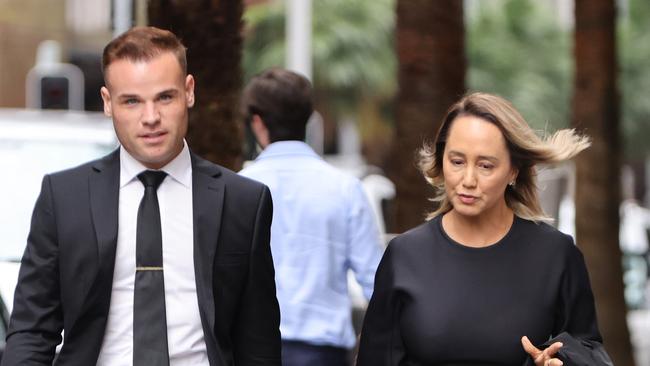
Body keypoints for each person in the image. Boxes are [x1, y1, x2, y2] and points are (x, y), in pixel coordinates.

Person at [2, 26, 280, 366]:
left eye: (165, 97)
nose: (151, 118)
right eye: (132, 101)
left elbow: (259, 345)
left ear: (189, 92)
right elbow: (32, 330)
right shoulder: (64, 198)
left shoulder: (243, 202)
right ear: (107, 102)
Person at [356, 92, 613, 366]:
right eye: (457, 161)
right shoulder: (404, 255)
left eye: (485, 165)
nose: (468, 179)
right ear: (441, 162)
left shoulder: (557, 255)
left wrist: (560, 359)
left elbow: (589, 350)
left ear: (514, 170)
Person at [239, 67, 384, 366]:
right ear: (308, 118)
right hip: (324, 353)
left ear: (257, 122)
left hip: (253, 350)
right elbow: (376, 283)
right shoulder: (345, 188)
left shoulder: (239, 186)